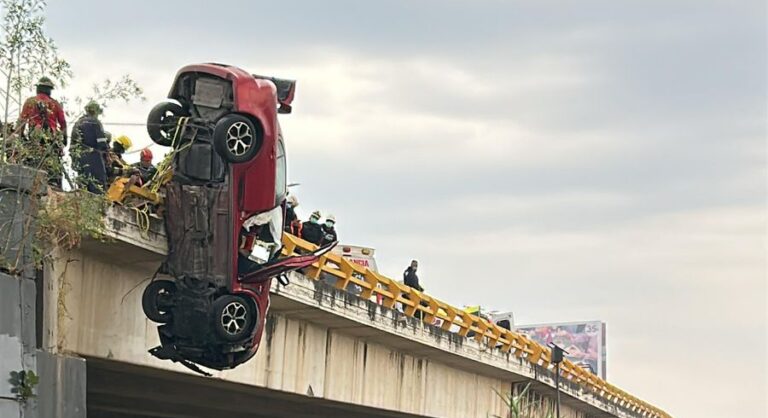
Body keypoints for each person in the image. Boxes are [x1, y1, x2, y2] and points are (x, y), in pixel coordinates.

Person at [17, 77, 67, 187]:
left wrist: (21, 137)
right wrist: (64, 140)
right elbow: (63, 123)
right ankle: (54, 186)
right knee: (53, 170)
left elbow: (21, 122)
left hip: (34, 140)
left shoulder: (30, 102)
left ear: (38, 88)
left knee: (33, 166)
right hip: (51, 141)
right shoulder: (55, 104)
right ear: (49, 90)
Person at [71, 101, 108, 194]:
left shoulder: (78, 123)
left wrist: (74, 159)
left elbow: (73, 144)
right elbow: (102, 143)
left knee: (83, 184)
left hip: (79, 157)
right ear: (96, 111)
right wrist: (106, 153)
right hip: (93, 157)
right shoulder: (95, 122)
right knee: (98, 185)